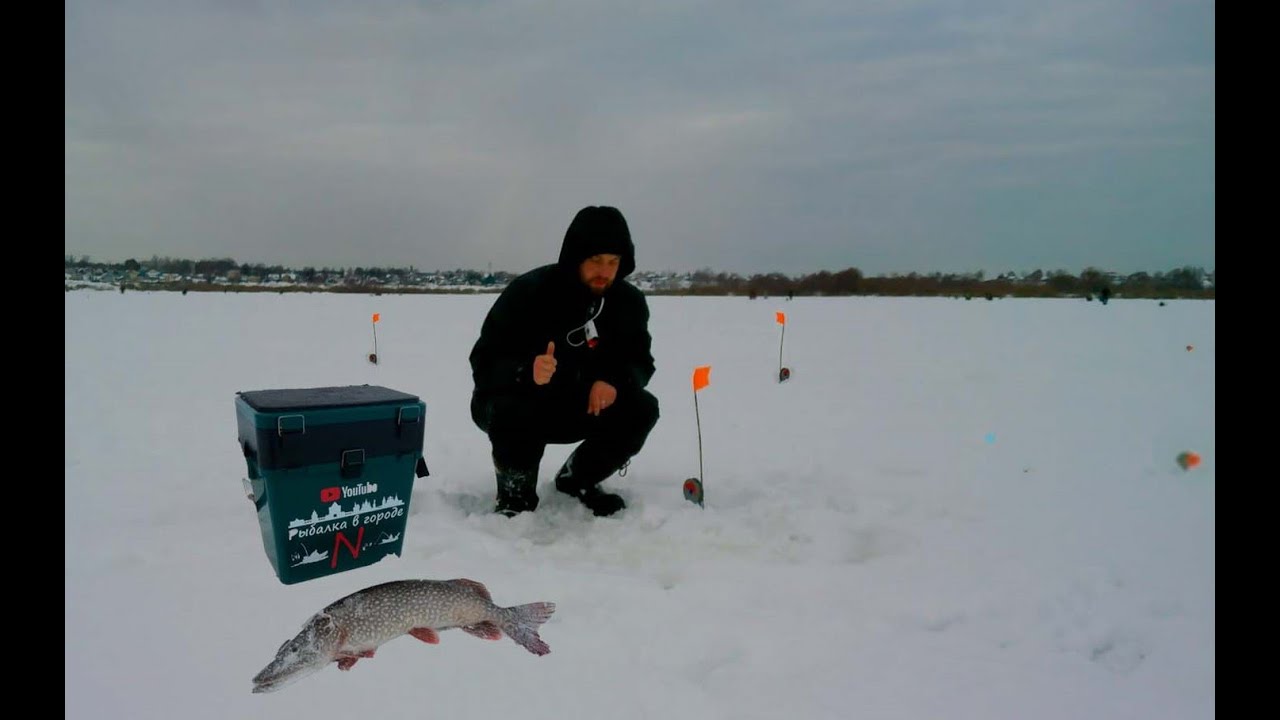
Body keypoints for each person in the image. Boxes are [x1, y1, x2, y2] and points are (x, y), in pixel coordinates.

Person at [469, 206, 659, 517]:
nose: (605, 270)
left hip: (579, 404)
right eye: (595, 260)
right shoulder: (529, 292)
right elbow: (484, 360)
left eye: (613, 261)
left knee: (642, 407)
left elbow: (640, 360)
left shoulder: (629, 303)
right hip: (516, 405)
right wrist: (525, 371)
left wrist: (614, 381)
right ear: (576, 257)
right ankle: (515, 498)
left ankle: (577, 481)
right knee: (513, 407)